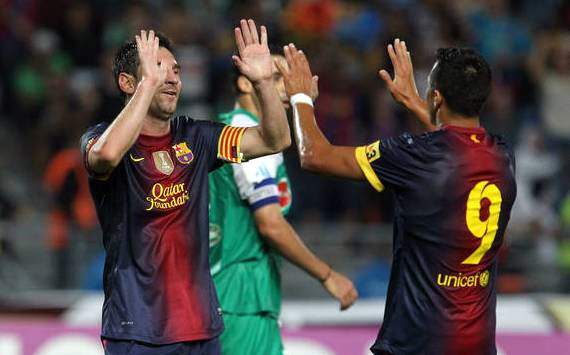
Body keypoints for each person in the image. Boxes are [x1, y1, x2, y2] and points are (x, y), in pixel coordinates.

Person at [277, 41, 517, 354]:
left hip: (417, 341)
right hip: (477, 343)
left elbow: (315, 155)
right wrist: (416, 102)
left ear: (437, 96)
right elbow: (455, 143)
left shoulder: (414, 156)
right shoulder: (501, 155)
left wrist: (300, 97)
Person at [80, 20, 291, 355]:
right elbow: (106, 155)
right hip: (136, 329)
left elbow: (274, 140)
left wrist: (264, 83)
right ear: (127, 82)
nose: (173, 78)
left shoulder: (197, 137)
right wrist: (149, 84)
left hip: (202, 329)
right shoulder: (100, 138)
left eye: (176, 70)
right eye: (158, 68)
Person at [208, 53, 358, 355]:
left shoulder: (227, 132)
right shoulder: (246, 137)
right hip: (243, 297)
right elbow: (271, 224)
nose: (285, 89)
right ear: (245, 83)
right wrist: (327, 275)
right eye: (277, 79)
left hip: (227, 294)